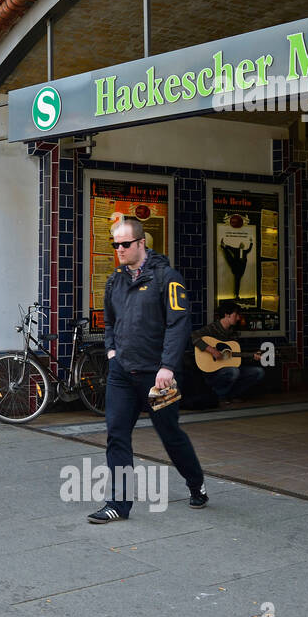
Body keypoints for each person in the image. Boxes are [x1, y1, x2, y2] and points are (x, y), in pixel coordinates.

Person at [91, 217, 207, 524]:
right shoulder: (115, 280)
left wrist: (167, 366)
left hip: (157, 377)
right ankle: (118, 504)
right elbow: (110, 321)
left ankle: (196, 483)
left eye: (125, 244)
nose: (119, 250)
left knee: (169, 434)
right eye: (115, 244)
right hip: (121, 373)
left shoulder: (167, 278)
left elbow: (178, 323)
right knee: (116, 435)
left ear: (142, 243)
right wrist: (111, 350)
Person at [192, 299, 266, 405]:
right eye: (236, 315)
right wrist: (212, 350)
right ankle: (218, 396)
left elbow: (234, 355)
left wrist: (252, 355)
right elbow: (193, 336)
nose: (238, 318)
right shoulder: (212, 329)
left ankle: (231, 395)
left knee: (258, 372)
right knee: (233, 371)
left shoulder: (233, 333)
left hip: (228, 369)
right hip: (211, 372)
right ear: (227, 315)